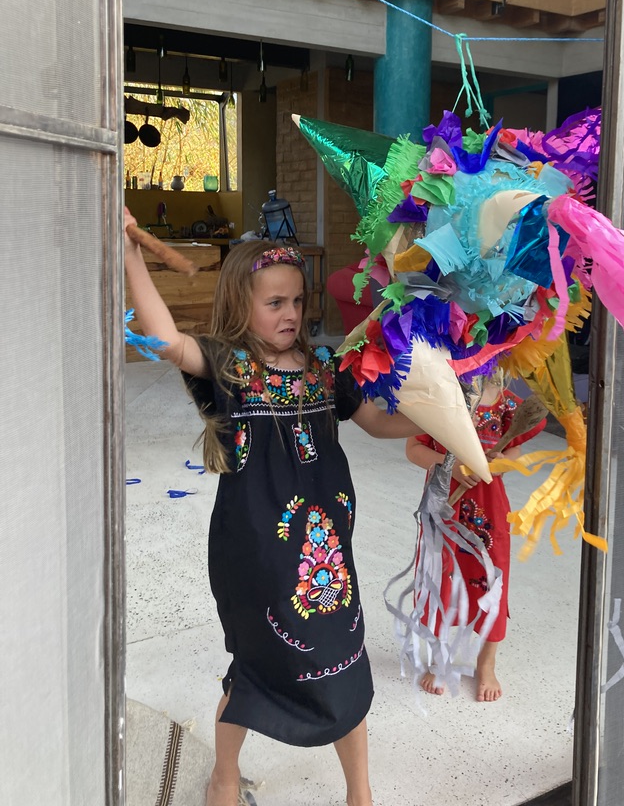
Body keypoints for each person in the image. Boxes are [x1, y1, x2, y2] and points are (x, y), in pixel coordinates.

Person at [124, 209, 421, 806]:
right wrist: (128, 252)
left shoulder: (325, 369)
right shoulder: (231, 368)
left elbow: (376, 422)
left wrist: (441, 422)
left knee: (344, 660)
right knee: (255, 668)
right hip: (257, 556)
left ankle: (359, 792)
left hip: (326, 558)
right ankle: (224, 776)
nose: (291, 314)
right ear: (242, 304)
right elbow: (164, 341)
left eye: (298, 301)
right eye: (275, 303)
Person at [405, 373, 546, 703]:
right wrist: (449, 467)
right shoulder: (437, 395)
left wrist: (496, 464)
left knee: (492, 578)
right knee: (439, 577)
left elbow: (514, 452)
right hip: (443, 505)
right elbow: (413, 449)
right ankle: (439, 658)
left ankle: (486, 663)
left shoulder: (508, 405)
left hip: (489, 509)